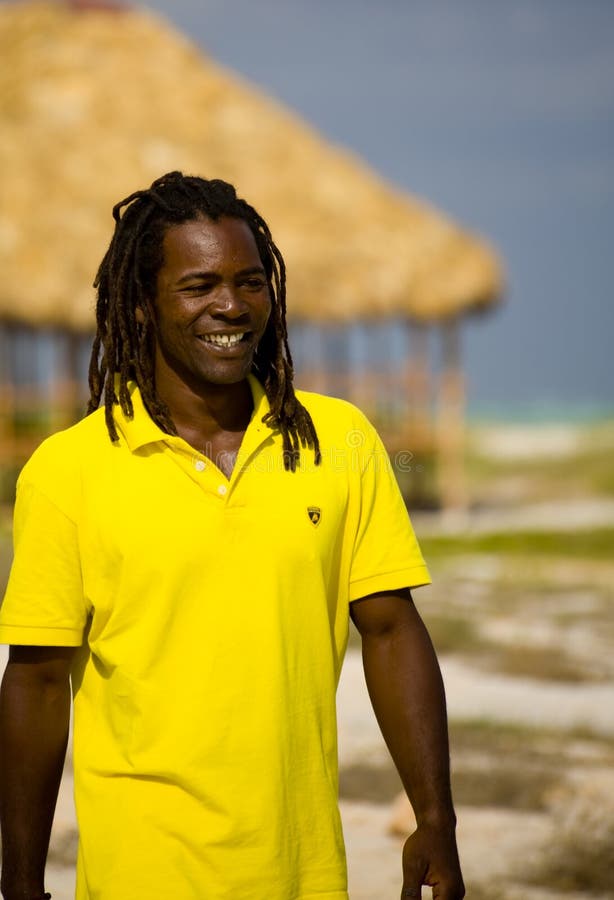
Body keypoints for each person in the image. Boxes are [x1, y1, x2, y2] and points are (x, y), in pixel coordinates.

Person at [0, 172, 464, 900]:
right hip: (139, 875)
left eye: (251, 282)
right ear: (143, 304)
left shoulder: (339, 442)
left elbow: (391, 631)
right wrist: (20, 882)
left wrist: (436, 818)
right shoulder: (69, 472)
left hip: (304, 873)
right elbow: (33, 679)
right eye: (199, 284)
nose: (231, 305)